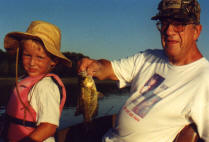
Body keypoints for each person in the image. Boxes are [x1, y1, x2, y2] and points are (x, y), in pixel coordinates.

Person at [78, 0, 209, 141]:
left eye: (178, 24)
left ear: (196, 32)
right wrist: (95, 65)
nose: (169, 31)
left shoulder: (204, 80)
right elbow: (109, 69)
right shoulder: (148, 57)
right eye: (164, 23)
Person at [3, 21, 72, 142]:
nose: (32, 62)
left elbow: (49, 127)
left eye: (40, 57)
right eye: (27, 55)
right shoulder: (23, 80)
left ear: (53, 61)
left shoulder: (46, 87)